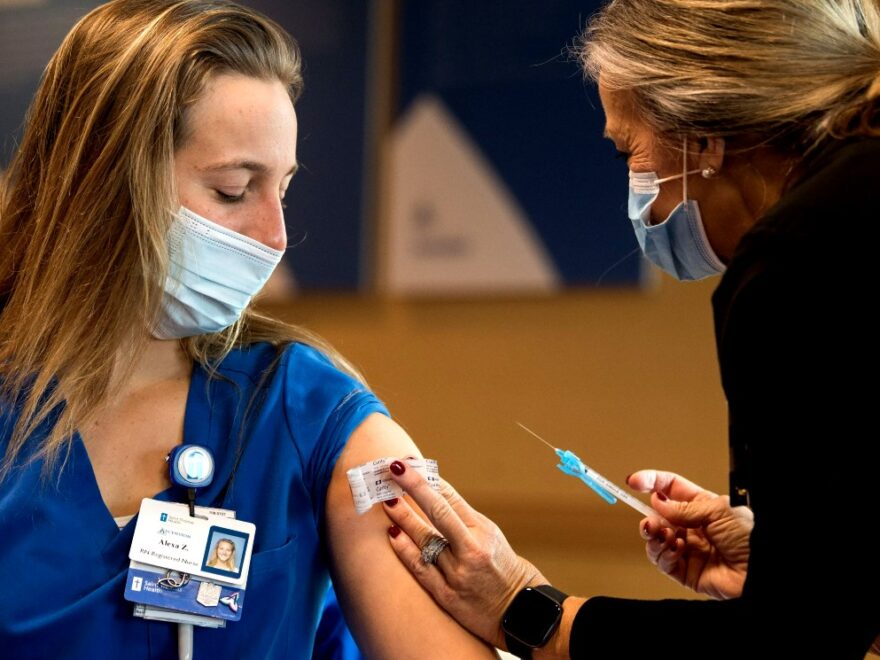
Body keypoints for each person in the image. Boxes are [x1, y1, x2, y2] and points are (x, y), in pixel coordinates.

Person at [382, 1, 880, 658]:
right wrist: (792, 562)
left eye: (629, 150)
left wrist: (528, 610)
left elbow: (790, 643)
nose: (638, 188)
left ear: (702, 139)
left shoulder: (798, 259)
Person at [0, 2, 498, 658]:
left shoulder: (310, 411)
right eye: (234, 190)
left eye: (283, 190)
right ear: (104, 183)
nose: (276, 237)